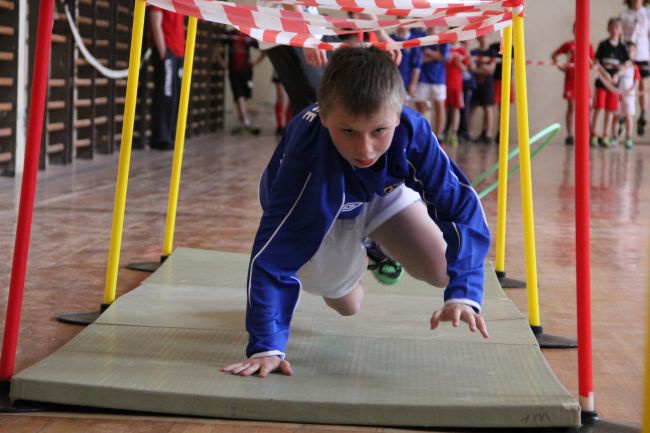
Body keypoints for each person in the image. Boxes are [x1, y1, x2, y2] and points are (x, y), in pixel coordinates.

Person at [222, 46, 491, 378]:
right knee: (349, 306)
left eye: (379, 131)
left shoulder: (411, 132)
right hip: (318, 204)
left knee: (442, 269)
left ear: (397, 114)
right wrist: (266, 345)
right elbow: (272, 258)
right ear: (324, 116)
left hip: (378, 192)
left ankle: (375, 247)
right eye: (347, 131)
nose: (364, 149)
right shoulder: (307, 162)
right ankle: (361, 249)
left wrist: (464, 294)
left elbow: (462, 209)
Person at [551, 24, 596, 145]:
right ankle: (569, 135)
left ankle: (591, 134)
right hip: (570, 80)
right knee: (571, 107)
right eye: (576, 29)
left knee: (588, 108)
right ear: (573, 30)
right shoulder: (569, 45)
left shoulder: (589, 46)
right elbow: (554, 55)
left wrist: (587, 58)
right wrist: (560, 66)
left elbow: (592, 65)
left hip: (583, 81)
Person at [149, 6, 185, 151]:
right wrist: (163, 52)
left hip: (178, 53)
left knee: (174, 96)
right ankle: (161, 138)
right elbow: (155, 24)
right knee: (166, 94)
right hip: (167, 52)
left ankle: (169, 135)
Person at [592, 17, 630, 148]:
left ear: (620, 30)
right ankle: (594, 135)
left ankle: (605, 136)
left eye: (617, 28)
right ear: (608, 29)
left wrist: (618, 75)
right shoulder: (603, 45)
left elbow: (627, 64)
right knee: (599, 108)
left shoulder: (622, 47)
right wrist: (605, 74)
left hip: (614, 86)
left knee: (610, 110)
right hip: (602, 84)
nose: (614, 30)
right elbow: (596, 62)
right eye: (612, 27)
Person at [216, 29, 262, 135]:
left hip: (246, 72)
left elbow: (264, 50)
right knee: (239, 95)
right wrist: (222, 62)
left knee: (244, 97)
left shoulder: (249, 34)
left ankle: (243, 121)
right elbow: (216, 47)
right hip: (234, 71)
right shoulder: (230, 34)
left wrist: (255, 62)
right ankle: (246, 122)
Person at [619, 0, 650, 135]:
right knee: (626, 87)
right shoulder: (624, 15)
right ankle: (621, 117)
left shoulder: (647, 13)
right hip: (628, 55)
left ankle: (643, 115)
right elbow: (620, 36)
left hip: (643, 54)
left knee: (643, 85)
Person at [414, 29, 450, 138]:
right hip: (422, 77)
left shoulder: (444, 37)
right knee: (420, 105)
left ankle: (438, 136)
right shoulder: (420, 36)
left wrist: (429, 52)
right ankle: (424, 134)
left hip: (438, 78)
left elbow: (444, 57)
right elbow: (419, 58)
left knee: (440, 107)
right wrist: (435, 55)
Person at [469, 35, 497, 144]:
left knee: (488, 108)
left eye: (485, 37)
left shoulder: (492, 52)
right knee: (472, 108)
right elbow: (470, 68)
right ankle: (469, 133)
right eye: (481, 37)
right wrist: (481, 68)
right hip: (475, 83)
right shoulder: (474, 52)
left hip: (487, 84)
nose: (483, 40)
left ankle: (487, 134)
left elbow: (490, 70)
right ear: (478, 39)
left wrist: (477, 69)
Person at [445, 41, 472, 146]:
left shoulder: (462, 50)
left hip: (456, 83)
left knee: (456, 107)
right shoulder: (445, 47)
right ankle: (443, 132)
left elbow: (466, 67)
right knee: (444, 108)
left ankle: (454, 133)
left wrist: (458, 63)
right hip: (444, 81)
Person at [617, 42, 641, 148]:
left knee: (628, 116)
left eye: (632, 51)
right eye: (627, 50)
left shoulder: (634, 67)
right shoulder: (620, 65)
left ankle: (628, 138)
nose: (629, 52)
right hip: (618, 93)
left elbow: (636, 81)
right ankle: (614, 137)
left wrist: (630, 91)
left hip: (629, 95)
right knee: (616, 116)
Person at [391, 26, 423, 101]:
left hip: (406, 82)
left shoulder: (413, 41)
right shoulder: (390, 38)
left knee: (403, 107)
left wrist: (413, 84)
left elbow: (417, 66)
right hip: (391, 81)